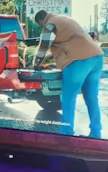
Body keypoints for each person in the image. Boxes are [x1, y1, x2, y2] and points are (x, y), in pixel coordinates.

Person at [32, 10, 104, 138]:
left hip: (79, 61)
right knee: (92, 97)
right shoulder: (63, 19)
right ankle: (96, 132)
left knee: (68, 97)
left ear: (41, 21)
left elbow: (43, 47)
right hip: (97, 58)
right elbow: (69, 42)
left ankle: (66, 134)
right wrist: (49, 57)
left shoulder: (50, 25)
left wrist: (35, 64)